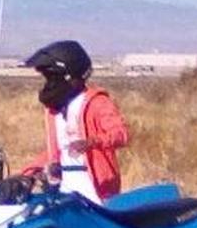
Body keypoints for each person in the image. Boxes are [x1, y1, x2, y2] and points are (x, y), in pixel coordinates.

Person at [21, 39, 128, 203]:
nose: (49, 85)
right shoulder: (55, 110)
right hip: (65, 187)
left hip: (97, 189)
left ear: (71, 77)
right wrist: (27, 174)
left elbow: (121, 134)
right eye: (48, 79)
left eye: (53, 78)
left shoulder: (97, 102)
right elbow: (57, 151)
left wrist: (92, 142)